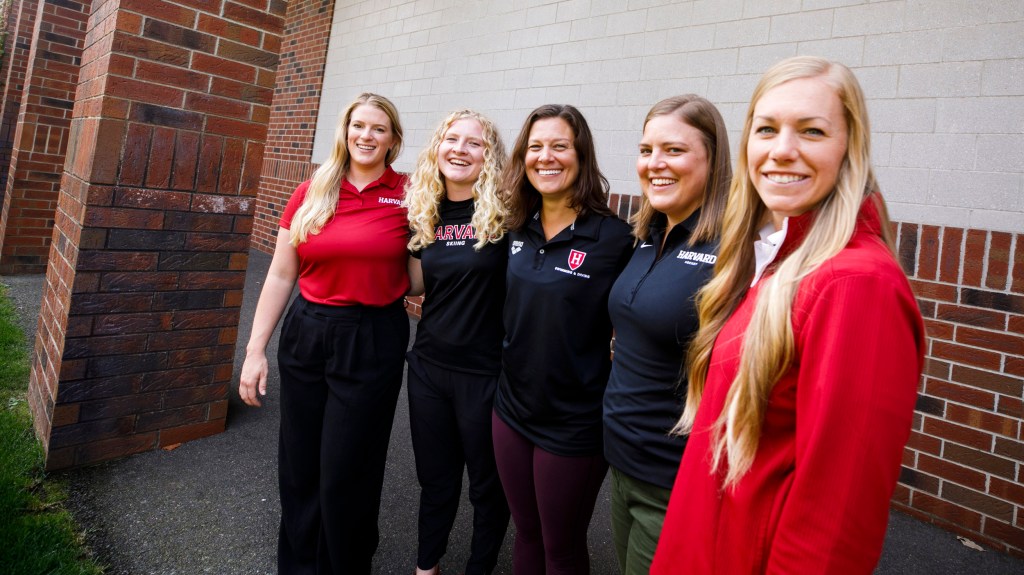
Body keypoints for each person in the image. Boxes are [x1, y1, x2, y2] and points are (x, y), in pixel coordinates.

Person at [650, 56, 925, 574]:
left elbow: (834, 522)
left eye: (812, 131)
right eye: (767, 129)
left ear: (850, 149)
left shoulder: (855, 285)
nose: (782, 150)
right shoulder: (773, 259)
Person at [238, 93, 410, 575]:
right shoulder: (313, 189)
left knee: (348, 466)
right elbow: (279, 275)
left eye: (379, 128)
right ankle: (297, 566)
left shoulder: (411, 194)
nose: (366, 136)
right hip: (309, 330)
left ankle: (345, 565)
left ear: (393, 139)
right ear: (345, 130)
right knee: (300, 460)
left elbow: (419, 276)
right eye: (358, 125)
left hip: (373, 336)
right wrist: (255, 350)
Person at [492, 104, 633, 575]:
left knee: (562, 547)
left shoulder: (614, 238)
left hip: (574, 423)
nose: (545, 157)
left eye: (559, 146)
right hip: (510, 409)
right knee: (526, 532)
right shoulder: (515, 225)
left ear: (581, 155)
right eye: (535, 147)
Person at [602, 94, 731, 575]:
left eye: (674, 150)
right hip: (622, 463)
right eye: (646, 150)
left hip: (674, 479)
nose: (654, 164)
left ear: (713, 160)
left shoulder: (733, 250)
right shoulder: (648, 235)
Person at [403, 110, 511, 575]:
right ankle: (427, 566)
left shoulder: (508, 217)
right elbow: (413, 285)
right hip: (428, 367)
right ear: (438, 147)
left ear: (490, 156)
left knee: (488, 488)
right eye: (453, 139)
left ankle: (479, 568)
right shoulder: (424, 211)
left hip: (485, 374)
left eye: (475, 143)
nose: (461, 149)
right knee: (436, 479)